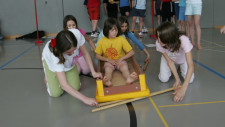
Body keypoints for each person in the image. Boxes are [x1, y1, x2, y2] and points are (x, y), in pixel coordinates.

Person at [42, 29, 102, 106]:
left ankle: (61, 75)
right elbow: (64, 85)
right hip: (52, 65)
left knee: (76, 87)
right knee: (56, 93)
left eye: (74, 49)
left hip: (69, 64)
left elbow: (85, 53)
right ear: (61, 51)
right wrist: (85, 99)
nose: (73, 53)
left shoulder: (77, 34)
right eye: (69, 52)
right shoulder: (55, 56)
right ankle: (49, 76)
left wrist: (93, 72)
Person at [155, 22, 194, 102]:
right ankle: (177, 69)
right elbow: (170, 62)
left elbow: (191, 66)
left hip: (182, 59)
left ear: (169, 37)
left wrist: (183, 89)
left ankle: (180, 66)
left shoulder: (183, 39)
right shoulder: (159, 43)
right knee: (164, 79)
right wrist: (177, 80)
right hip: (170, 59)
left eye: (161, 37)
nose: (159, 40)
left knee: (190, 80)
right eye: (158, 37)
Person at [95, 18, 138, 87]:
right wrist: (108, 60)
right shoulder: (102, 41)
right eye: (112, 30)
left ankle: (129, 78)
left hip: (120, 61)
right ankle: (107, 81)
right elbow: (97, 55)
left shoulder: (121, 38)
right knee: (108, 70)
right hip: (109, 62)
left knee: (124, 68)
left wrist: (121, 59)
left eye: (116, 30)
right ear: (107, 30)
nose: (115, 32)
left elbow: (132, 52)